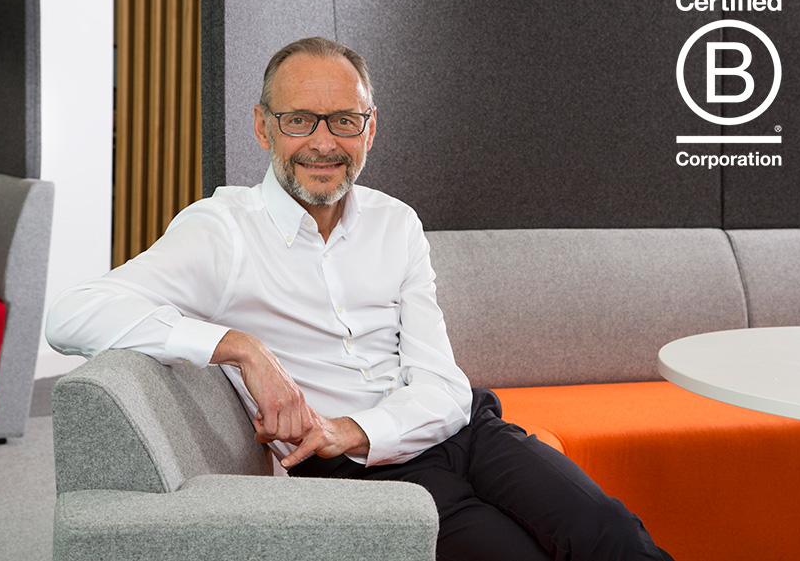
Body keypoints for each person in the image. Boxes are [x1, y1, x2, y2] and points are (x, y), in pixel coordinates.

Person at [46, 36, 672, 561]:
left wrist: (360, 426)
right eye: (299, 120)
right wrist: (239, 347)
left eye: (345, 120)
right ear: (263, 126)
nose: (324, 143)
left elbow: (442, 383)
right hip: (353, 473)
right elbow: (72, 313)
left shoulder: (395, 222)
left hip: (460, 429)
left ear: (371, 130)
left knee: (609, 534)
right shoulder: (222, 230)